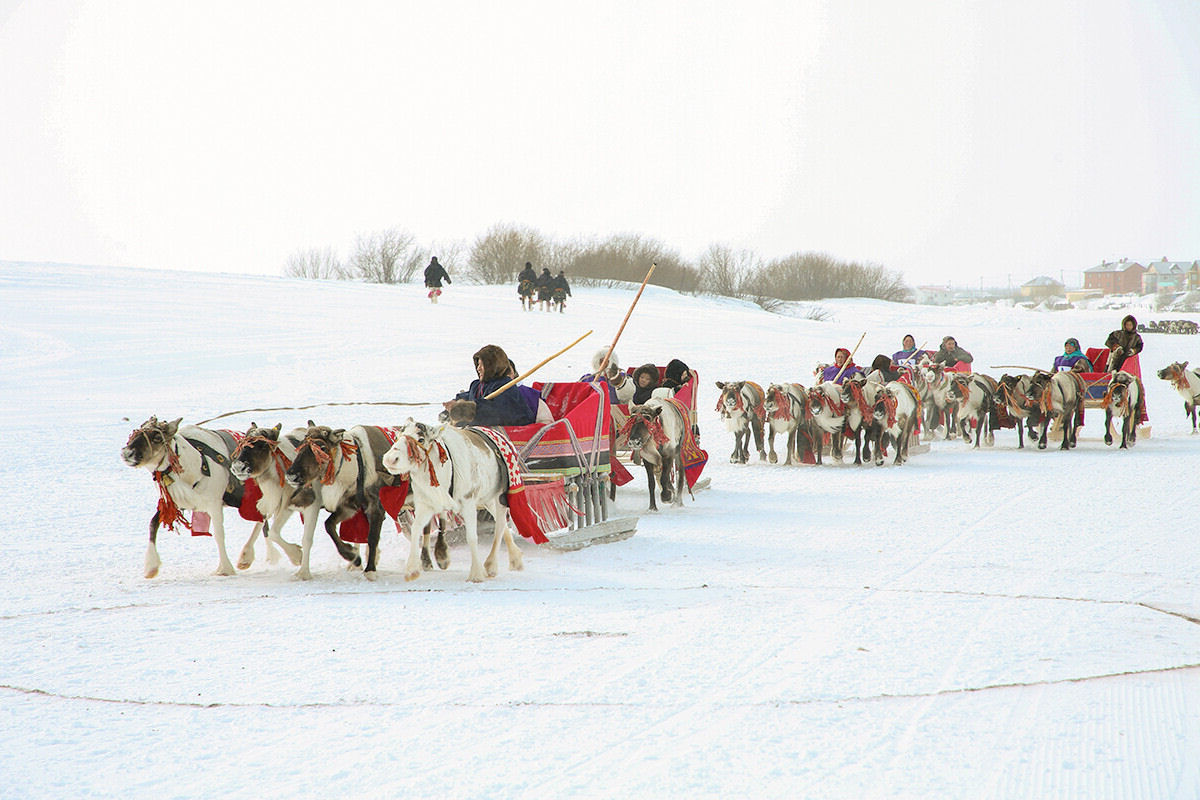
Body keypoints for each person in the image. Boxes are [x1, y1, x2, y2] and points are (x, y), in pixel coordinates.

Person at [444, 344, 536, 427]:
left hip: (512, 433)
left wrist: (465, 410)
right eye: (477, 364)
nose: (478, 368)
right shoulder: (476, 385)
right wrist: (456, 402)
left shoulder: (505, 386)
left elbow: (496, 411)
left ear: (492, 365)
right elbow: (469, 396)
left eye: (481, 365)